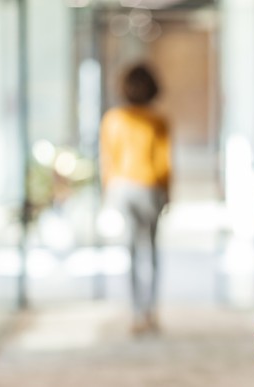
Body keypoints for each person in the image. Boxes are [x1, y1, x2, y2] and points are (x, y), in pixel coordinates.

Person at [99, 63, 170, 334]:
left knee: (129, 250)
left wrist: (107, 192)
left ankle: (135, 314)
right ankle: (149, 312)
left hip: (122, 188)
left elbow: (108, 159)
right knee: (149, 250)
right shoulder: (158, 120)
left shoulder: (113, 119)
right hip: (150, 187)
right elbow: (164, 162)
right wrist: (168, 194)